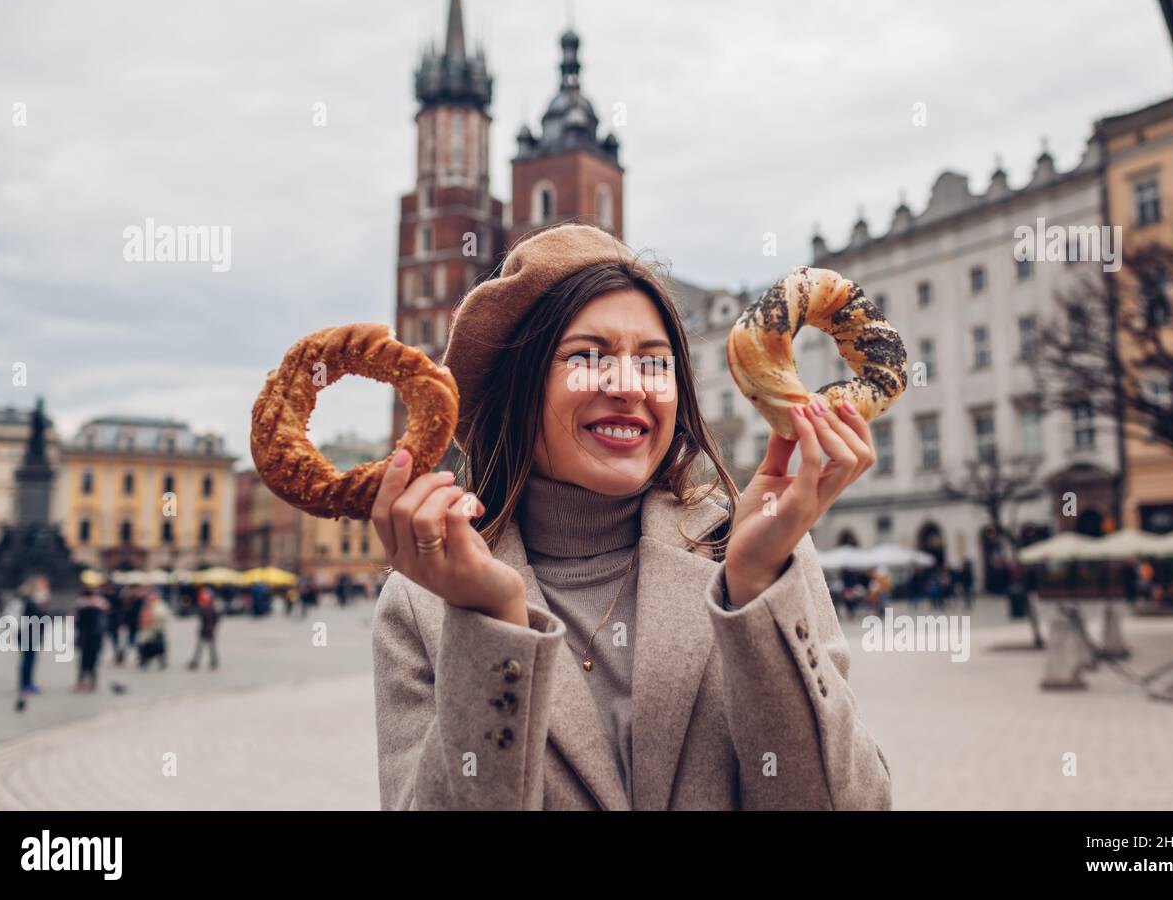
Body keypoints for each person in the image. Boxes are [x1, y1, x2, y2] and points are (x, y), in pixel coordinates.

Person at [370, 223, 892, 810]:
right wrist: (492, 627)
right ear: (517, 388)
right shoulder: (422, 605)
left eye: (653, 362)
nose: (628, 387)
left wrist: (755, 592)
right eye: (587, 357)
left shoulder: (751, 548)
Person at [15, 575, 50, 711]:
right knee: (29, 659)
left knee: (27, 659)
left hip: (27, 634)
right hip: (29, 634)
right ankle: (26, 684)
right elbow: (37, 618)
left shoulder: (25, 600)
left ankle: (26, 683)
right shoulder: (31, 602)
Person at [74, 587, 110, 692]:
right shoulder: (101, 606)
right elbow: (104, 624)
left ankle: (81, 682)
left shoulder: (81, 607)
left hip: (85, 637)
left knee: (83, 661)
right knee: (93, 661)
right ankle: (92, 682)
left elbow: (77, 623)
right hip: (96, 638)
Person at [188, 587, 220, 670]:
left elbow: (214, 619)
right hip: (208, 630)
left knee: (203, 647)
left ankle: (198, 662)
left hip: (206, 630)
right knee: (208, 647)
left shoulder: (206, 609)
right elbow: (216, 619)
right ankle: (212, 662)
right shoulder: (211, 608)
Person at [136, 591, 170, 669]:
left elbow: (163, 616)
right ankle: (145, 661)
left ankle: (160, 661)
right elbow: (141, 618)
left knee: (159, 648)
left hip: (157, 630)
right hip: (147, 631)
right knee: (146, 648)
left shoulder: (161, 606)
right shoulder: (146, 606)